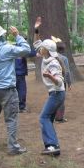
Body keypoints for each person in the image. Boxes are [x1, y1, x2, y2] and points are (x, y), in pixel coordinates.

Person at [0, 25, 31, 155]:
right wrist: (17, 35)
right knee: (11, 118)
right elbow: (26, 50)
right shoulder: (7, 49)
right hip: (7, 89)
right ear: (1, 36)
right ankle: (13, 147)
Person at [33, 17, 65, 156]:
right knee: (48, 119)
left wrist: (49, 76)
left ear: (46, 50)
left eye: (42, 48)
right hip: (55, 93)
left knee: (43, 118)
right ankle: (53, 146)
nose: (40, 49)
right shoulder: (45, 56)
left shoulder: (53, 63)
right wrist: (36, 28)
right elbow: (36, 43)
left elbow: (58, 81)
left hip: (57, 93)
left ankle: (52, 145)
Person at [53, 38, 73, 123]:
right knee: (61, 99)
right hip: (61, 81)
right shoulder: (64, 58)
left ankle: (53, 115)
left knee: (53, 98)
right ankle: (59, 117)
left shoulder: (52, 57)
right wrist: (69, 83)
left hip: (52, 80)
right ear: (63, 49)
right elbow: (67, 72)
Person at [15, 45, 36, 113]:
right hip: (20, 73)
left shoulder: (11, 50)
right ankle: (21, 107)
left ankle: (14, 106)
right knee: (21, 90)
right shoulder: (23, 51)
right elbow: (33, 53)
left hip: (11, 74)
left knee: (13, 90)